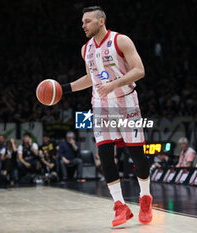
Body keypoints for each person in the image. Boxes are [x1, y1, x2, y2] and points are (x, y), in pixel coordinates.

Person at [59, 6, 152, 226]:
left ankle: (145, 197)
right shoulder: (85, 49)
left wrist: (114, 84)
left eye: (88, 21)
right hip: (101, 106)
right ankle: (120, 206)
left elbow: (139, 70)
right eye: (82, 22)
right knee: (105, 155)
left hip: (126, 101)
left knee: (137, 155)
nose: (83, 25)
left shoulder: (121, 41)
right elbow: (91, 78)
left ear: (101, 21)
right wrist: (63, 89)